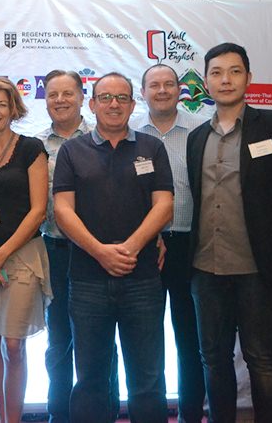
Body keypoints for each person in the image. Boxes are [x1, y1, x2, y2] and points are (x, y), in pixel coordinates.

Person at [186, 42, 272, 422]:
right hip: (206, 269)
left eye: (234, 71)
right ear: (206, 82)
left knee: (262, 358)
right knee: (213, 359)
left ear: (249, 78)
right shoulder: (196, 138)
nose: (226, 80)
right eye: (217, 72)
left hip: (259, 269)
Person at [53, 72, 174, 422]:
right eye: (105, 97)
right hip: (87, 281)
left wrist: (130, 248)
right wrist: (101, 252)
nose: (114, 104)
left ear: (133, 105)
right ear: (92, 104)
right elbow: (62, 210)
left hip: (143, 279)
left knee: (148, 380)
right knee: (91, 380)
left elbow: (164, 205)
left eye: (122, 98)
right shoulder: (72, 150)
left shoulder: (152, 147)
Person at [0, 77, 50, 423]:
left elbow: (39, 211)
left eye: (2, 104)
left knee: (13, 345)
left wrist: (0, 255)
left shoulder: (31, 149)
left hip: (21, 259)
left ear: (14, 108)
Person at [132, 64, 207, 423]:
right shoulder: (130, 133)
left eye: (168, 84)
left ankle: (190, 414)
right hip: (144, 247)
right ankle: (152, 415)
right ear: (142, 92)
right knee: (146, 341)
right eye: (154, 85)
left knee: (190, 339)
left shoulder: (201, 131)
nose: (161, 91)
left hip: (191, 244)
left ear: (180, 90)